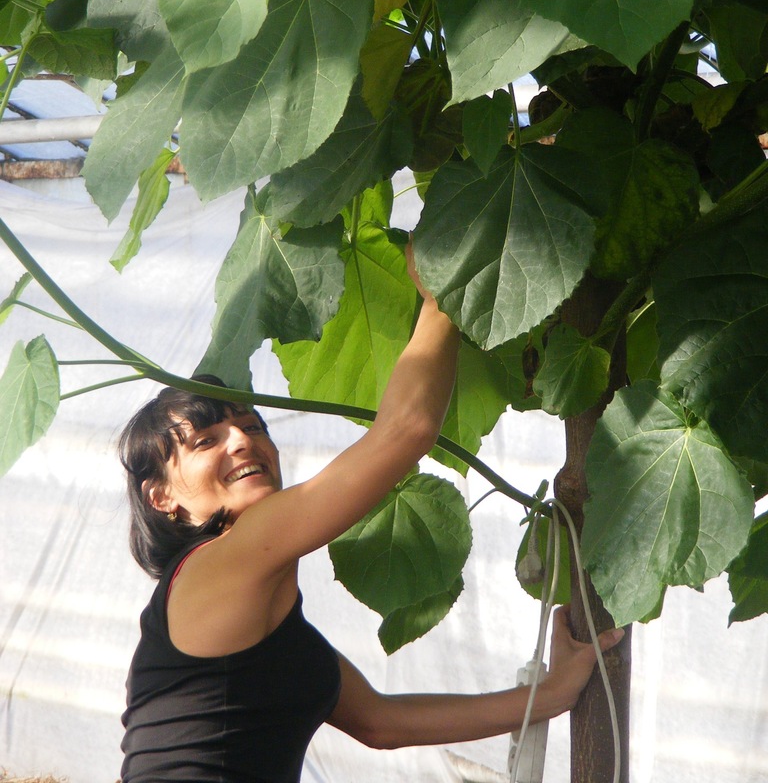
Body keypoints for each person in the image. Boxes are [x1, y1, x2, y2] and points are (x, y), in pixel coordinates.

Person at [119, 245, 623, 782]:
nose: (242, 441)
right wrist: (444, 297)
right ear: (162, 497)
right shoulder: (220, 558)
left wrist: (548, 696)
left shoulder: (278, 633)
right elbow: (406, 431)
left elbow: (382, 722)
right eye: (205, 440)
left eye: (252, 426)